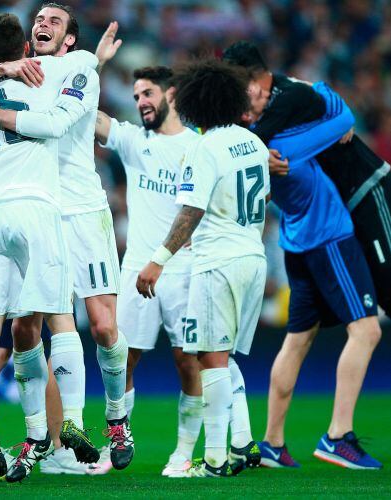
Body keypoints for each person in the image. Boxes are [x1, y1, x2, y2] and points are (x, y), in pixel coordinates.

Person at [0, 4, 132, 475]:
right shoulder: (22, 71)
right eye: (38, 19)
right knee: (23, 329)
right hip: (34, 210)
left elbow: (56, 123)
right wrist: (3, 69)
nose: (42, 25)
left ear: (71, 39)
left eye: (55, 21)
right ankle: (38, 435)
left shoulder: (78, 68)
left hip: (78, 210)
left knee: (100, 325)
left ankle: (116, 417)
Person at [224, 42, 385, 470]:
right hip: (328, 236)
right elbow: (342, 120)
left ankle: (272, 443)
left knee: (297, 340)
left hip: (295, 241)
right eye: (252, 97)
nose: (258, 100)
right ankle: (338, 436)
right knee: (367, 332)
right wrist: (324, 93)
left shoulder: (243, 150)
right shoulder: (282, 143)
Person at [136, 59, 270, 478]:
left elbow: (191, 209)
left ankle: (214, 458)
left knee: (209, 358)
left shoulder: (204, 147)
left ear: (195, 103)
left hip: (218, 262)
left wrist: (157, 260)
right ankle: (242, 442)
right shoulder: (253, 142)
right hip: (253, 258)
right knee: (220, 355)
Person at [94, 65, 206, 476]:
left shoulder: (198, 147)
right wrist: (96, 65)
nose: (140, 101)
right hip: (135, 269)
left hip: (183, 270)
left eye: (148, 94)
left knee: (188, 362)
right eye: (137, 95)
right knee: (122, 359)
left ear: (170, 96)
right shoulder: (132, 140)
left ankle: (184, 453)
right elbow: (87, 114)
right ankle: (118, 440)